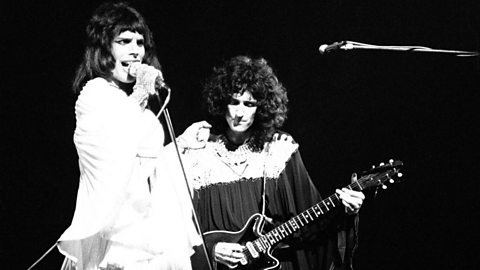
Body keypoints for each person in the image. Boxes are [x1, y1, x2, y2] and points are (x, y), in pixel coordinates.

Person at [180, 56, 365, 270]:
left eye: (249, 104)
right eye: (234, 102)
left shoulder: (279, 150)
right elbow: (174, 224)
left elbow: (313, 223)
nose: (239, 113)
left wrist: (347, 211)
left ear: (261, 108)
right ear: (222, 103)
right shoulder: (198, 152)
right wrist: (210, 247)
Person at [57, 2, 203, 269]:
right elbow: (116, 148)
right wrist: (139, 94)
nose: (135, 50)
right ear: (104, 48)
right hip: (117, 233)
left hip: (148, 224)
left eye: (140, 42)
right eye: (124, 41)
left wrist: (184, 143)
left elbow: (149, 161)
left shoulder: (136, 102)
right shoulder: (94, 94)